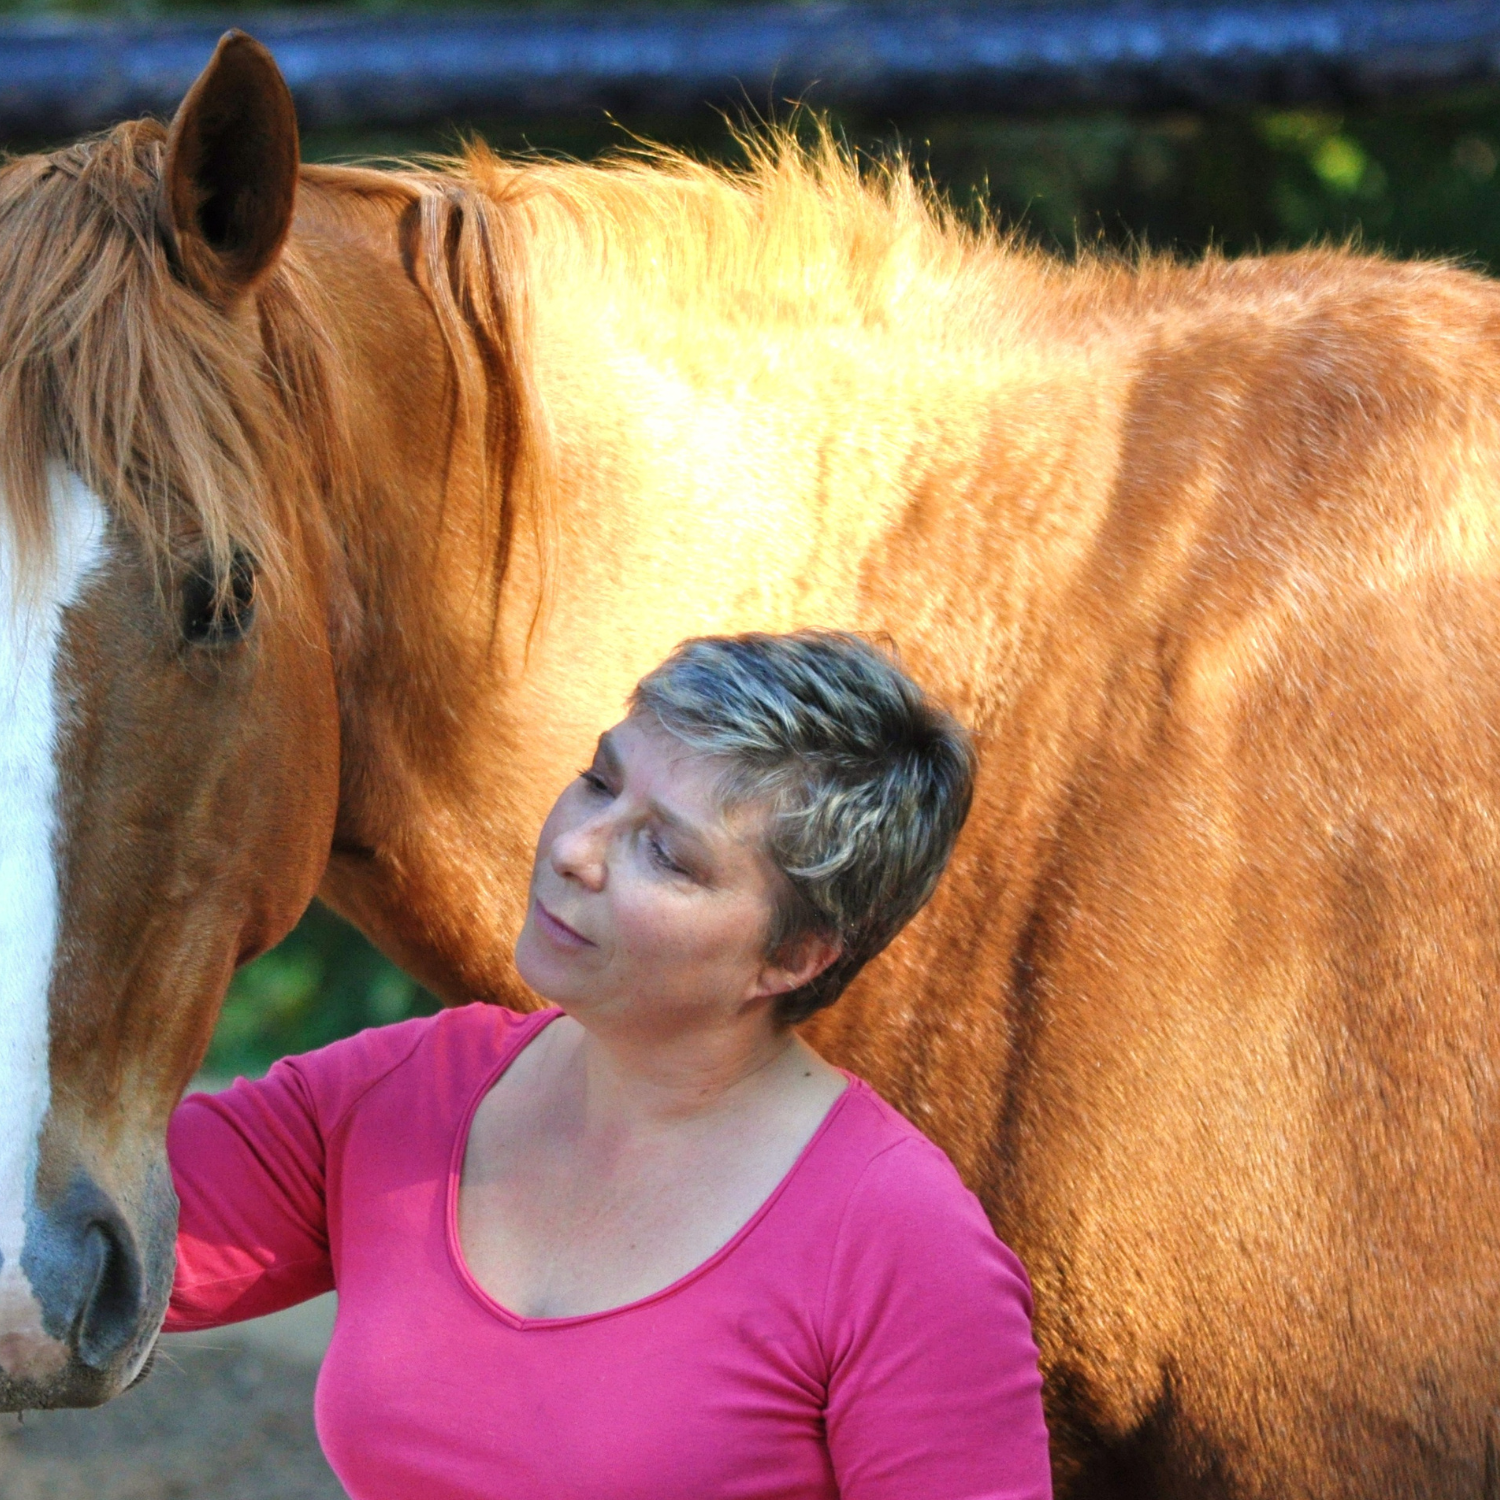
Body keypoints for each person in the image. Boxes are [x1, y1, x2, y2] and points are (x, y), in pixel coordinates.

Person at [165, 630, 1053, 1500]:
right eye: (599, 781)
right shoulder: (403, 1092)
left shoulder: (904, 1248)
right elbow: (49, 1230)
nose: (572, 850)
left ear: (796, 958)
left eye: (667, 853)